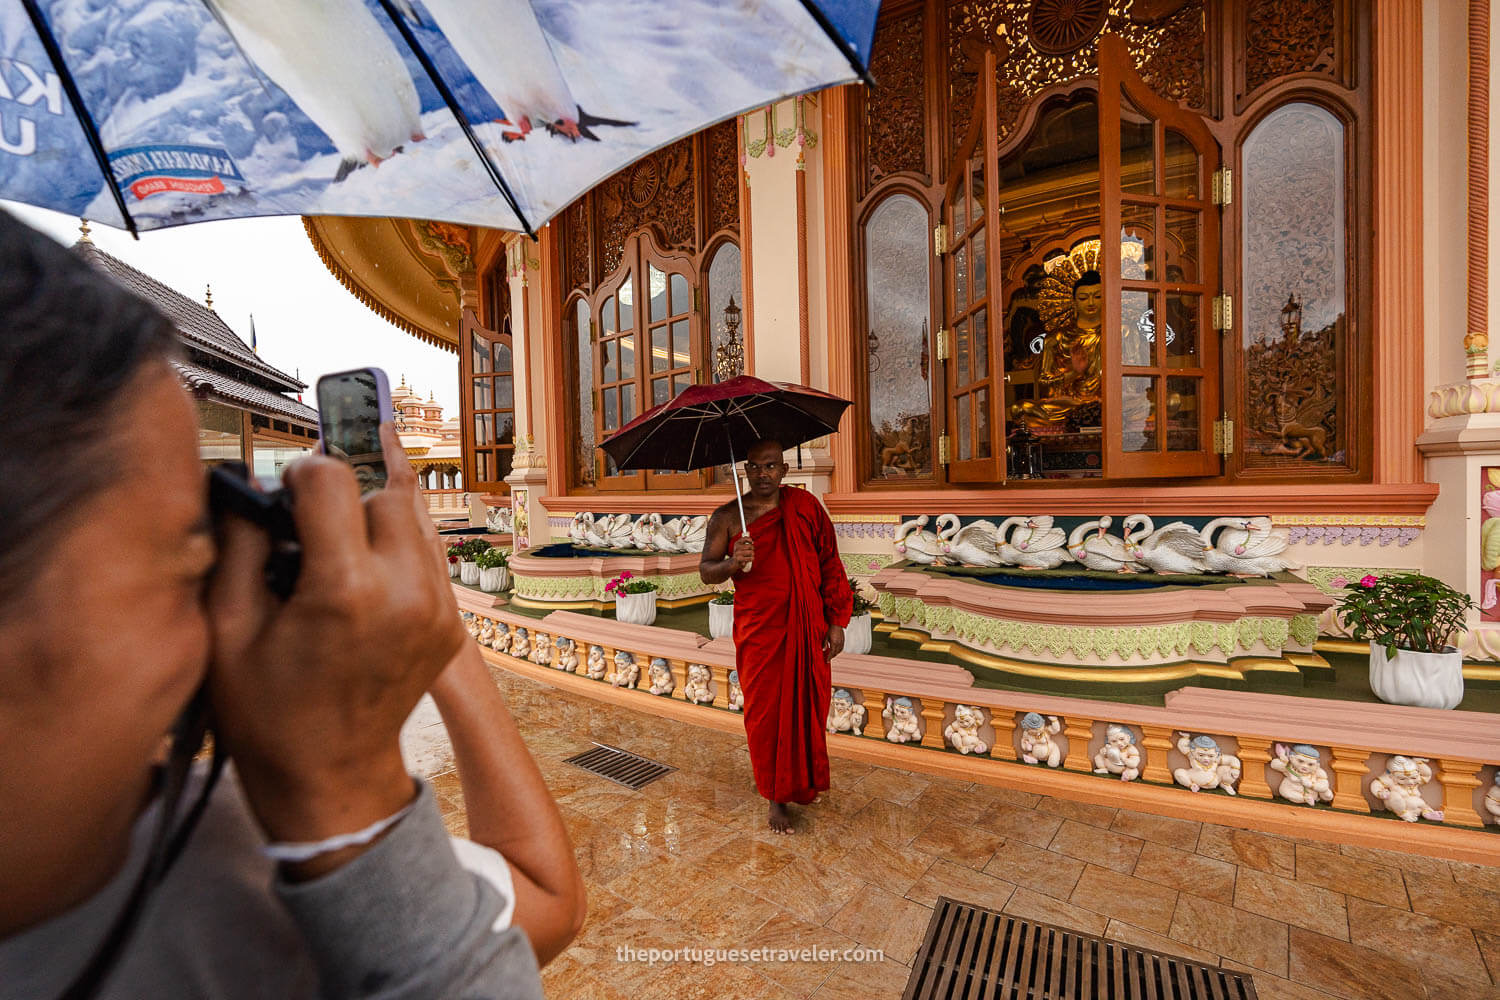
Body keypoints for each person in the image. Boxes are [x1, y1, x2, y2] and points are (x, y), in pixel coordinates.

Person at [0, 210, 584, 998]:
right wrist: (345, 795)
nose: (217, 614)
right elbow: (547, 898)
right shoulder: (234, 875)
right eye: (187, 565)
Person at [698, 440, 852, 834]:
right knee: (766, 713)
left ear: (784, 471)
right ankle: (775, 795)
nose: (762, 474)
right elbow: (706, 570)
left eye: (770, 467)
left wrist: (837, 621)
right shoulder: (728, 517)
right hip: (761, 631)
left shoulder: (805, 508)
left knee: (808, 705)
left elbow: (829, 563)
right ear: (745, 471)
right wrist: (735, 561)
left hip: (806, 624)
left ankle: (804, 782)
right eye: (754, 467)